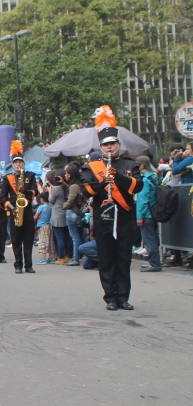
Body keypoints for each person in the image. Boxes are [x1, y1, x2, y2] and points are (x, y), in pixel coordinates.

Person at [81, 106, 142, 311]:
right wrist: (102, 183)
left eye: (112, 144)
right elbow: (87, 190)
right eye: (105, 145)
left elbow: (137, 186)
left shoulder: (128, 164)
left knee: (124, 258)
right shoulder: (91, 167)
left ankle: (123, 297)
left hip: (124, 217)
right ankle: (110, 298)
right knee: (106, 259)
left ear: (118, 144)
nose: (109, 148)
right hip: (103, 218)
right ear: (101, 146)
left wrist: (118, 177)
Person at [0, 140, 39, 274]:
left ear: (23, 163)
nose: (18, 164)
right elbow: (2, 197)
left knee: (28, 239)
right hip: (14, 211)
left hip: (27, 211)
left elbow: (35, 192)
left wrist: (25, 191)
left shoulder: (30, 176)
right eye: (16, 162)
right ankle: (18, 265)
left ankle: (28, 265)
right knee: (16, 240)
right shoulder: (7, 178)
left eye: (20, 162)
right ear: (13, 164)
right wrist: (12, 208)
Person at [136, 156, 162, 272]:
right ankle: (154, 262)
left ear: (142, 166)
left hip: (146, 214)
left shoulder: (144, 180)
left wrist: (140, 216)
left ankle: (155, 264)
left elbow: (143, 200)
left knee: (149, 240)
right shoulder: (153, 177)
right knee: (153, 239)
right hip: (153, 213)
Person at [62, 163, 85, 266]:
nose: (65, 175)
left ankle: (75, 258)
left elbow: (71, 200)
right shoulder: (78, 185)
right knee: (81, 236)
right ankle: (85, 256)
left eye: (66, 173)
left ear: (70, 174)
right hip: (78, 213)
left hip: (72, 212)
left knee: (75, 237)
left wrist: (63, 206)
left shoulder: (73, 186)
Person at [49, 170, 72, 264]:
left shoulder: (56, 188)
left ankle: (61, 257)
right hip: (66, 213)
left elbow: (51, 200)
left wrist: (50, 191)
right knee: (68, 237)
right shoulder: (67, 187)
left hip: (57, 215)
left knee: (60, 238)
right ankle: (70, 255)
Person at [34, 191, 55, 264]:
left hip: (42, 226)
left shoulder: (41, 207)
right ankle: (50, 257)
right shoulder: (50, 207)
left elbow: (35, 217)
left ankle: (43, 259)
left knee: (43, 241)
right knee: (50, 241)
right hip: (49, 225)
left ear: (42, 199)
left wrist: (36, 217)